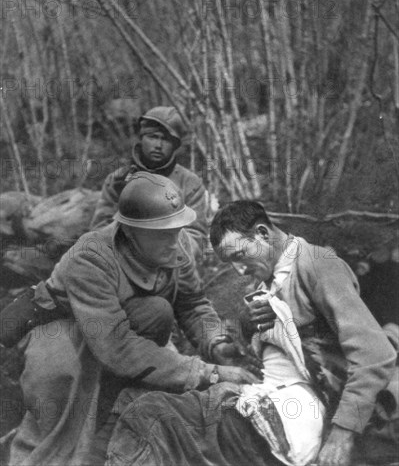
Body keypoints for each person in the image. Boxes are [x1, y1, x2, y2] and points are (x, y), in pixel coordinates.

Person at [104, 200, 396, 466]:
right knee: (134, 401)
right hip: (269, 394)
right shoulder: (266, 282)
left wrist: (343, 433)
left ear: (262, 233)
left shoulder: (318, 266)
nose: (239, 270)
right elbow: (275, 348)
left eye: (240, 255)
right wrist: (246, 325)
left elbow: (375, 353)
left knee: (151, 415)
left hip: (305, 407)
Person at [8, 177, 261, 466]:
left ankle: (115, 394)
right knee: (60, 386)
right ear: (130, 231)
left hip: (115, 327)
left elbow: (192, 304)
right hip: (59, 327)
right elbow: (117, 346)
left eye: (176, 229)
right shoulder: (91, 256)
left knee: (157, 311)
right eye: (162, 232)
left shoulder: (174, 246)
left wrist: (217, 343)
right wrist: (210, 373)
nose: (175, 240)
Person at [90, 106, 207, 259]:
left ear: (175, 145)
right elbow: (99, 229)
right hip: (123, 261)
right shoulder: (118, 180)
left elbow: (196, 238)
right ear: (141, 138)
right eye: (152, 136)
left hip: (171, 265)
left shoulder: (190, 183)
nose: (158, 145)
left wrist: (161, 245)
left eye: (166, 139)